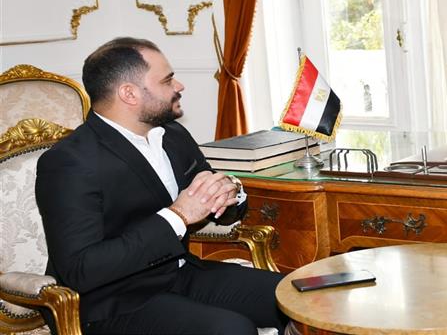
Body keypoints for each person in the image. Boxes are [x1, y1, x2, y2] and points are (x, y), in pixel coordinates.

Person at [35, 37, 288, 335]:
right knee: (231, 329)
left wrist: (230, 190)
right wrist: (178, 216)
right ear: (129, 93)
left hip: (179, 274)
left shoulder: (172, 135)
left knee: (293, 296)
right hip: (110, 300)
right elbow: (80, 270)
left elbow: (217, 205)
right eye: (167, 80)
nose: (179, 85)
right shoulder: (70, 161)